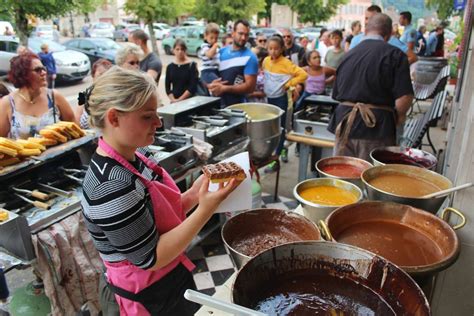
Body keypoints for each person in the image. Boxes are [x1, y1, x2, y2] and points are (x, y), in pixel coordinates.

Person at [81, 66, 241, 315]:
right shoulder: (109, 187)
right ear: (113, 118)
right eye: (147, 116)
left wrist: (195, 194)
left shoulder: (138, 153)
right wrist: (206, 210)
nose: (158, 122)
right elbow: (151, 257)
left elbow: (162, 214)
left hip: (168, 279)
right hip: (142, 296)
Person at [327, 13, 414, 161]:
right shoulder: (396, 55)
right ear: (388, 35)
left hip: (344, 124)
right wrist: (399, 116)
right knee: (370, 178)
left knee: (342, 176)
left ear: (366, 31)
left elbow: (336, 95)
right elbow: (404, 98)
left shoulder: (348, 55)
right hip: (376, 129)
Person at [0, 52, 75, 139]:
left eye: (44, 68)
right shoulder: (8, 103)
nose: (44, 73)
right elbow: (1, 140)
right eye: (38, 70)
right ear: (23, 74)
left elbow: (74, 127)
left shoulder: (54, 96)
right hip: (25, 152)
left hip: (60, 152)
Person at [262, 35, 307, 170]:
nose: (273, 51)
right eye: (270, 48)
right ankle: (271, 155)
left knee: (280, 129)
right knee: (269, 129)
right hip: (268, 99)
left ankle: (276, 156)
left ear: (281, 49)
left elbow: (303, 74)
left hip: (281, 100)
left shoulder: (286, 63)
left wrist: (289, 84)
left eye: (276, 48)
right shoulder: (266, 61)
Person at [208, 19, 258, 107]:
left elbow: (250, 87)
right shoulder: (221, 52)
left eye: (246, 35)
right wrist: (211, 84)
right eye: (240, 33)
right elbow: (208, 72)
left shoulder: (251, 57)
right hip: (218, 104)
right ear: (233, 33)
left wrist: (224, 89)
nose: (243, 38)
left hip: (238, 106)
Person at [76, 59, 113, 129]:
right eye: (101, 74)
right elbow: (76, 121)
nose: (103, 79)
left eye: (107, 75)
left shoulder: (113, 97)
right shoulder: (83, 96)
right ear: (93, 76)